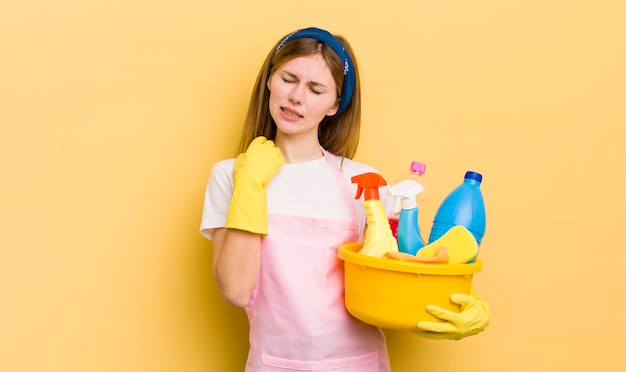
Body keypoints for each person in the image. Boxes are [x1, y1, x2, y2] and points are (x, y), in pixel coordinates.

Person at [200, 26, 489, 372]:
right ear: (269, 81)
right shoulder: (231, 175)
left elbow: (405, 277)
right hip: (274, 365)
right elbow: (235, 289)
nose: (296, 97)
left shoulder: (364, 182)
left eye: (316, 89)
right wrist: (250, 186)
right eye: (288, 79)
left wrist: (461, 309)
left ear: (335, 104)